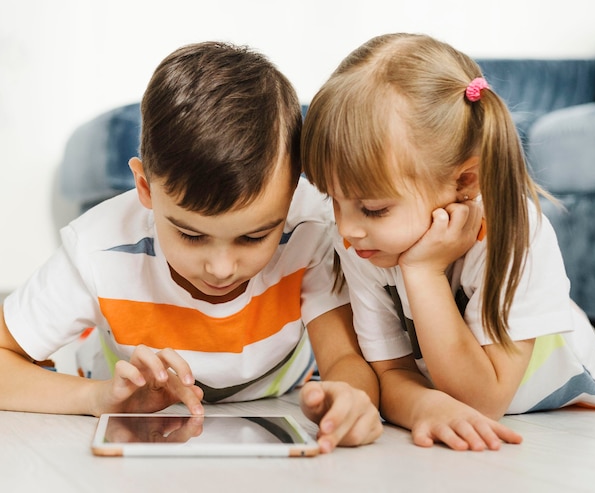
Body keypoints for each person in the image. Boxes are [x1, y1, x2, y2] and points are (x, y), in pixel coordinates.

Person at [0, 41, 382, 453]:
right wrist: (95, 397)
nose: (221, 268)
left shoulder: (311, 225)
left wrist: (351, 400)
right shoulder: (98, 248)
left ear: (293, 191)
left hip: (278, 397)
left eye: (254, 237)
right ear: (144, 187)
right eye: (191, 235)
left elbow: (345, 359)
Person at [301, 33, 595, 450]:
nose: (346, 229)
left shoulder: (515, 231)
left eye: (374, 208)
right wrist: (422, 407)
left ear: (465, 181)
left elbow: (483, 401)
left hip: (554, 365)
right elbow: (391, 373)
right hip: (449, 367)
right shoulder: (365, 243)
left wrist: (422, 270)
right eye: (333, 199)